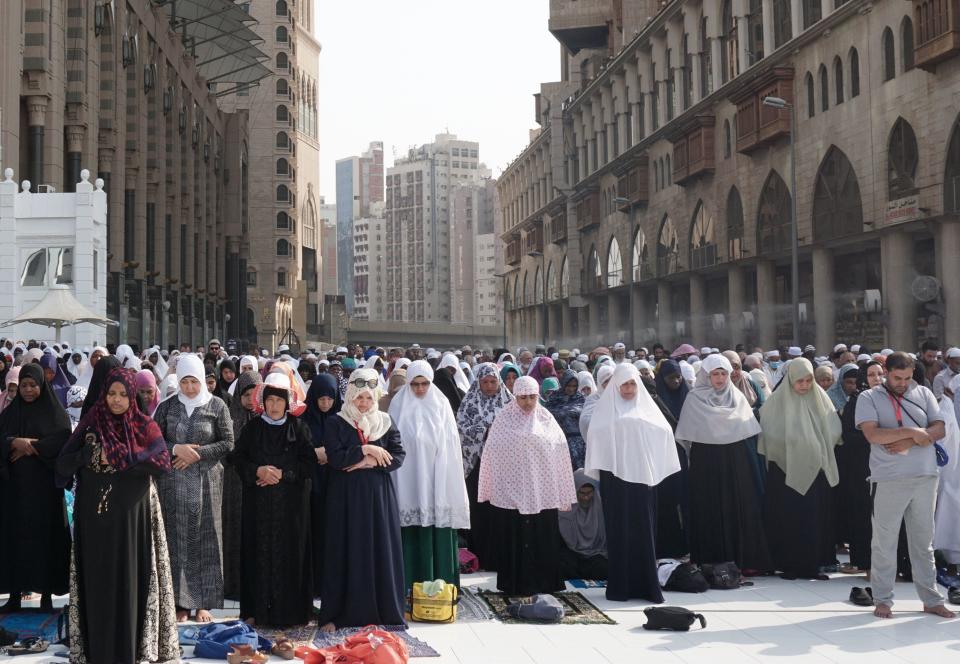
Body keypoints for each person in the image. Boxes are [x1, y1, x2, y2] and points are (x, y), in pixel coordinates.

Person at [56, 368, 179, 664]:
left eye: (123, 394)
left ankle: (132, 648)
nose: (116, 400)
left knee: (130, 575)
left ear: (132, 396)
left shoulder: (143, 425)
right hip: (94, 517)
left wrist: (122, 459)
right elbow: (62, 465)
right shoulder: (90, 424)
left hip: (131, 517)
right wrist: (86, 457)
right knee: (97, 577)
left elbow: (162, 463)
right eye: (111, 393)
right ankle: (97, 647)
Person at [855, 351, 954, 619]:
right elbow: (873, 433)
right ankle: (883, 599)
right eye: (898, 378)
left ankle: (931, 598)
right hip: (889, 479)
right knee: (884, 542)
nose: (903, 383)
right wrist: (913, 432)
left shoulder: (921, 393)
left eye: (907, 378)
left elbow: (939, 428)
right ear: (886, 372)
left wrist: (911, 440)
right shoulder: (869, 397)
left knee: (923, 542)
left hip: (925, 476)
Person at [318, 368, 405, 631]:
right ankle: (339, 613)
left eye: (368, 398)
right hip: (345, 498)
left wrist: (367, 462)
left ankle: (383, 612)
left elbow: (397, 456)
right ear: (350, 397)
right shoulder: (336, 422)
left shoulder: (386, 422)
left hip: (378, 497)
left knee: (379, 548)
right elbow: (335, 457)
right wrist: (366, 449)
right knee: (345, 548)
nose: (363, 403)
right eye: (358, 398)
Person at [585, 364, 679, 602]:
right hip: (615, 482)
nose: (628, 389)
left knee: (643, 531)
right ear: (615, 386)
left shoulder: (648, 411)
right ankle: (621, 586)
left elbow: (665, 431)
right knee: (619, 531)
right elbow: (595, 435)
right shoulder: (605, 411)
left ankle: (646, 585)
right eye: (624, 384)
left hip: (642, 482)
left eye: (632, 384)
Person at [153, 354, 235, 622]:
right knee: (177, 542)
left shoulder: (217, 406)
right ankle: (180, 603)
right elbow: (153, 443)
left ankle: (204, 603)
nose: (189, 388)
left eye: (194, 382)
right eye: (185, 382)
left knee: (207, 540)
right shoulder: (166, 408)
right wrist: (176, 449)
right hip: (173, 485)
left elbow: (228, 443)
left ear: (202, 380)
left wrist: (197, 453)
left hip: (206, 483)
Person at [478, 376, 576, 595]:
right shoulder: (503, 420)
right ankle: (513, 583)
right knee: (514, 537)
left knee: (542, 536)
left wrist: (561, 490)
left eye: (532, 397)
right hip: (511, 491)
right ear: (515, 396)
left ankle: (545, 583)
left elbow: (560, 455)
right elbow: (491, 454)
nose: (528, 402)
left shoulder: (547, 421)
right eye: (523, 397)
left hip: (542, 492)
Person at [231, 373, 316, 627]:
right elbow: (238, 458)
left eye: (280, 400)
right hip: (258, 506)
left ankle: (291, 613)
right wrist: (258, 471)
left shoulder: (299, 428)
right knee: (257, 554)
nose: (275, 405)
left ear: (287, 402)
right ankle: (256, 610)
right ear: (263, 402)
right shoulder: (253, 428)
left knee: (291, 555)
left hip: (291, 508)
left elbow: (309, 463)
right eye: (270, 400)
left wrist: (283, 475)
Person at [675, 354, 772, 572]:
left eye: (723, 374)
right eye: (714, 374)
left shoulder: (737, 398)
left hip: (735, 464)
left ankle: (743, 560)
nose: (719, 379)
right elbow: (686, 437)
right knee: (709, 509)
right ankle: (712, 560)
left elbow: (749, 432)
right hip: (706, 464)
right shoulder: (694, 399)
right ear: (706, 375)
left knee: (737, 508)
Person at [388, 361, 470, 590]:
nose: (420, 389)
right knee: (410, 528)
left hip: (436, 479)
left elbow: (451, 446)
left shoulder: (441, 404)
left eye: (425, 383)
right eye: (415, 384)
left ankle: (442, 585)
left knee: (437, 528)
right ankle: (406, 586)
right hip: (408, 480)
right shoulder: (398, 404)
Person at [759, 358, 842, 580]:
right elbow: (770, 433)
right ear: (790, 381)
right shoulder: (776, 402)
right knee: (791, 519)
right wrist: (796, 444)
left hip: (817, 471)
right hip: (786, 471)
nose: (804, 385)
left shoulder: (820, 398)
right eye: (799, 381)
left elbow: (833, 427)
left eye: (808, 380)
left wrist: (816, 447)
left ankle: (814, 564)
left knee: (815, 518)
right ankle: (789, 565)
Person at [0, 363, 72, 611]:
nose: (28, 390)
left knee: (46, 541)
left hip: (45, 494)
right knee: (15, 541)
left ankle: (46, 597)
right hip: (14, 493)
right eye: (24, 385)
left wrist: (30, 447)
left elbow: (62, 439)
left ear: (42, 385)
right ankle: (15, 596)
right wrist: (13, 442)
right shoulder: (10, 414)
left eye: (33, 385)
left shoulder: (55, 413)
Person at [457, 363, 514, 569]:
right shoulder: (469, 402)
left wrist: (499, 433)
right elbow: (461, 428)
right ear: (478, 383)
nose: (490, 386)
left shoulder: (510, 403)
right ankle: (479, 554)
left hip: (503, 466)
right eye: (485, 382)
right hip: (477, 466)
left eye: (493, 382)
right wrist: (484, 430)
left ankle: (501, 557)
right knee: (479, 511)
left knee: (501, 510)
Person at [836, 360, 885, 575]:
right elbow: (849, 435)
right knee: (863, 514)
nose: (876, 378)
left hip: (885, 466)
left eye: (880, 374)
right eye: (872, 374)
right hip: (861, 468)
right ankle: (863, 561)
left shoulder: (887, 399)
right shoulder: (857, 401)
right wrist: (873, 437)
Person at [222, 370, 262, 601]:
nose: (249, 399)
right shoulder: (230, 415)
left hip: (258, 483)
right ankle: (233, 584)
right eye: (245, 394)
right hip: (234, 484)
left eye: (254, 394)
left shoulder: (266, 417)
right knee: (234, 530)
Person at [302, 373, 342, 597]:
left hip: (336, 484)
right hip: (312, 484)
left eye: (330, 399)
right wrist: (314, 453)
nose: (326, 403)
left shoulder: (343, 418)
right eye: (321, 399)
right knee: (314, 533)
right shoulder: (305, 419)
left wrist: (331, 455)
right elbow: (298, 447)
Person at [557, 470, 608, 581]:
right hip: (571, 553)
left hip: (595, 554)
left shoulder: (601, 508)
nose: (586, 497)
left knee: (602, 568)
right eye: (582, 493)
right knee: (563, 566)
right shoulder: (565, 510)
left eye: (589, 493)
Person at [545, 369, 587, 470]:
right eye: (568, 385)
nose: (571, 389)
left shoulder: (581, 399)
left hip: (580, 444)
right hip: (560, 443)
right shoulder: (554, 399)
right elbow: (547, 417)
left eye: (574, 386)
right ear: (563, 383)